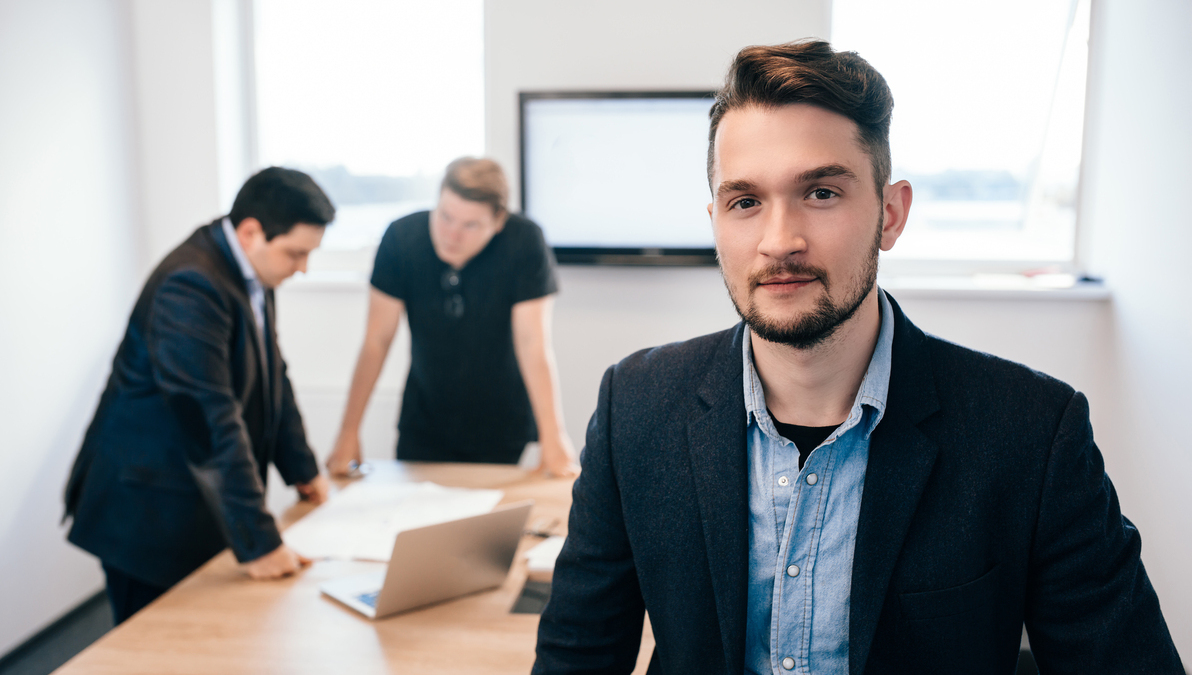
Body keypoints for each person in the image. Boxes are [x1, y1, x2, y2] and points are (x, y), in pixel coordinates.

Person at [533, 41, 1184, 673]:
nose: (779, 240)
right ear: (715, 221)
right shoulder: (637, 406)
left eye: (820, 192)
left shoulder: (1032, 432)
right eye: (745, 201)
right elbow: (577, 655)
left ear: (891, 214)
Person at [64, 167, 335, 624]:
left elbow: (273, 378)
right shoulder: (190, 285)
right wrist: (259, 540)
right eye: (296, 254)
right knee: (154, 653)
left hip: (192, 501)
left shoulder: (253, 272)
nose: (303, 268)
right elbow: (210, 419)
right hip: (147, 512)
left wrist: (303, 470)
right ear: (251, 232)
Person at [327, 157, 576, 476]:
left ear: (498, 222)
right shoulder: (401, 239)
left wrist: (553, 437)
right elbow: (376, 341)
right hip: (424, 419)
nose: (451, 235)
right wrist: (348, 432)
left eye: (470, 225)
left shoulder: (524, 241)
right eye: (445, 217)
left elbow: (533, 345)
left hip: (500, 423)